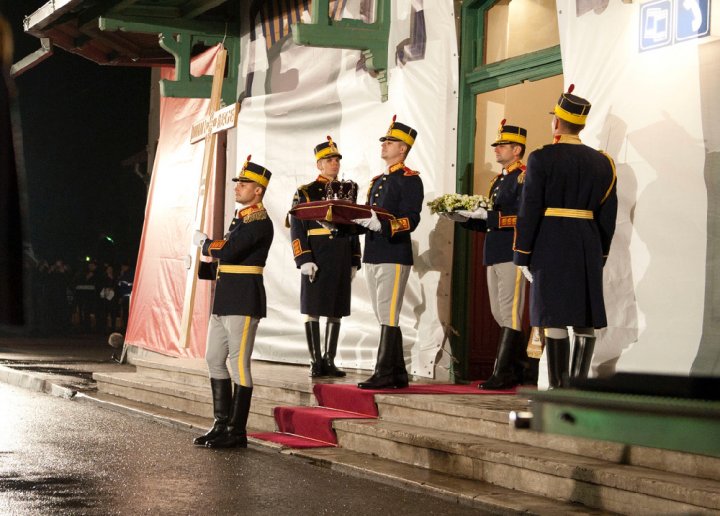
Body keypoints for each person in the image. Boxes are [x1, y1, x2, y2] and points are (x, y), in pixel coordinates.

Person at [513, 85, 617, 388]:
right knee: (584, 317)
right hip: (587, 243)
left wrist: (523, 254)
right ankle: (579, 390)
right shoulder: (603, 163)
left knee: (553, 314)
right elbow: (607, 216)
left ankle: (559, 390)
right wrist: (600, 254)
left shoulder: (542, 158)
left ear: (556, 123)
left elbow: (529, 209)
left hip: (550, 242)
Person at [442, 120, 536, 389]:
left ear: (517, 149)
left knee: (510, 311)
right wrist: (465, 218)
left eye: (502, 145)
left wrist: (490, 216)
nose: (496, 149)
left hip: (512, 250)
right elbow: (489, 219)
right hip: (493, 250)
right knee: (498, 311)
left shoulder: (524, 177)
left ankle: (504, 372)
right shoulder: (500, 180)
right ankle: (519, 368)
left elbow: (523, 217)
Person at [191, 156, 274, 448]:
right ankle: (221, 423)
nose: (237, 187)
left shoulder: (259, 221)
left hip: (244, 299)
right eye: (238, 182)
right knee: (214, 359)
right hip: (226, 298)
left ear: (259, 190)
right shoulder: (240, 219)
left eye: (244, 183)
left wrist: (204, 244)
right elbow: (227, 261)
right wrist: (204, 262)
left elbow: (231, 251)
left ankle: (237, 432)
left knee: (239, 366)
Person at [353, 116, 424, 389]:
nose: (384, 145)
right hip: (373, 252)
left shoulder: (410, 180)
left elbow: (411, 220)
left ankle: (384, 371)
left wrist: (381, 225)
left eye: (390, 141)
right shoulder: (376, 180)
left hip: (394, 253)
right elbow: (367, 219)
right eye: (384, 141)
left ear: (403, 149)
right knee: (382, 313)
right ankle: (396, 373)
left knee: (389, 312)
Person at [289, 136, 361, 377]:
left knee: (336, 307)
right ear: (318, 164)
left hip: (340, 252)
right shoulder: (306, 191)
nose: (334, 163)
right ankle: (315, 360)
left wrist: (354, 258)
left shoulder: (347, 191)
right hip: (317, 254)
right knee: (313, 307)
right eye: (328, 159)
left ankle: (329, 360)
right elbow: (297, 227)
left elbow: (354, 224)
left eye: (337, 159)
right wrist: (304, 258)